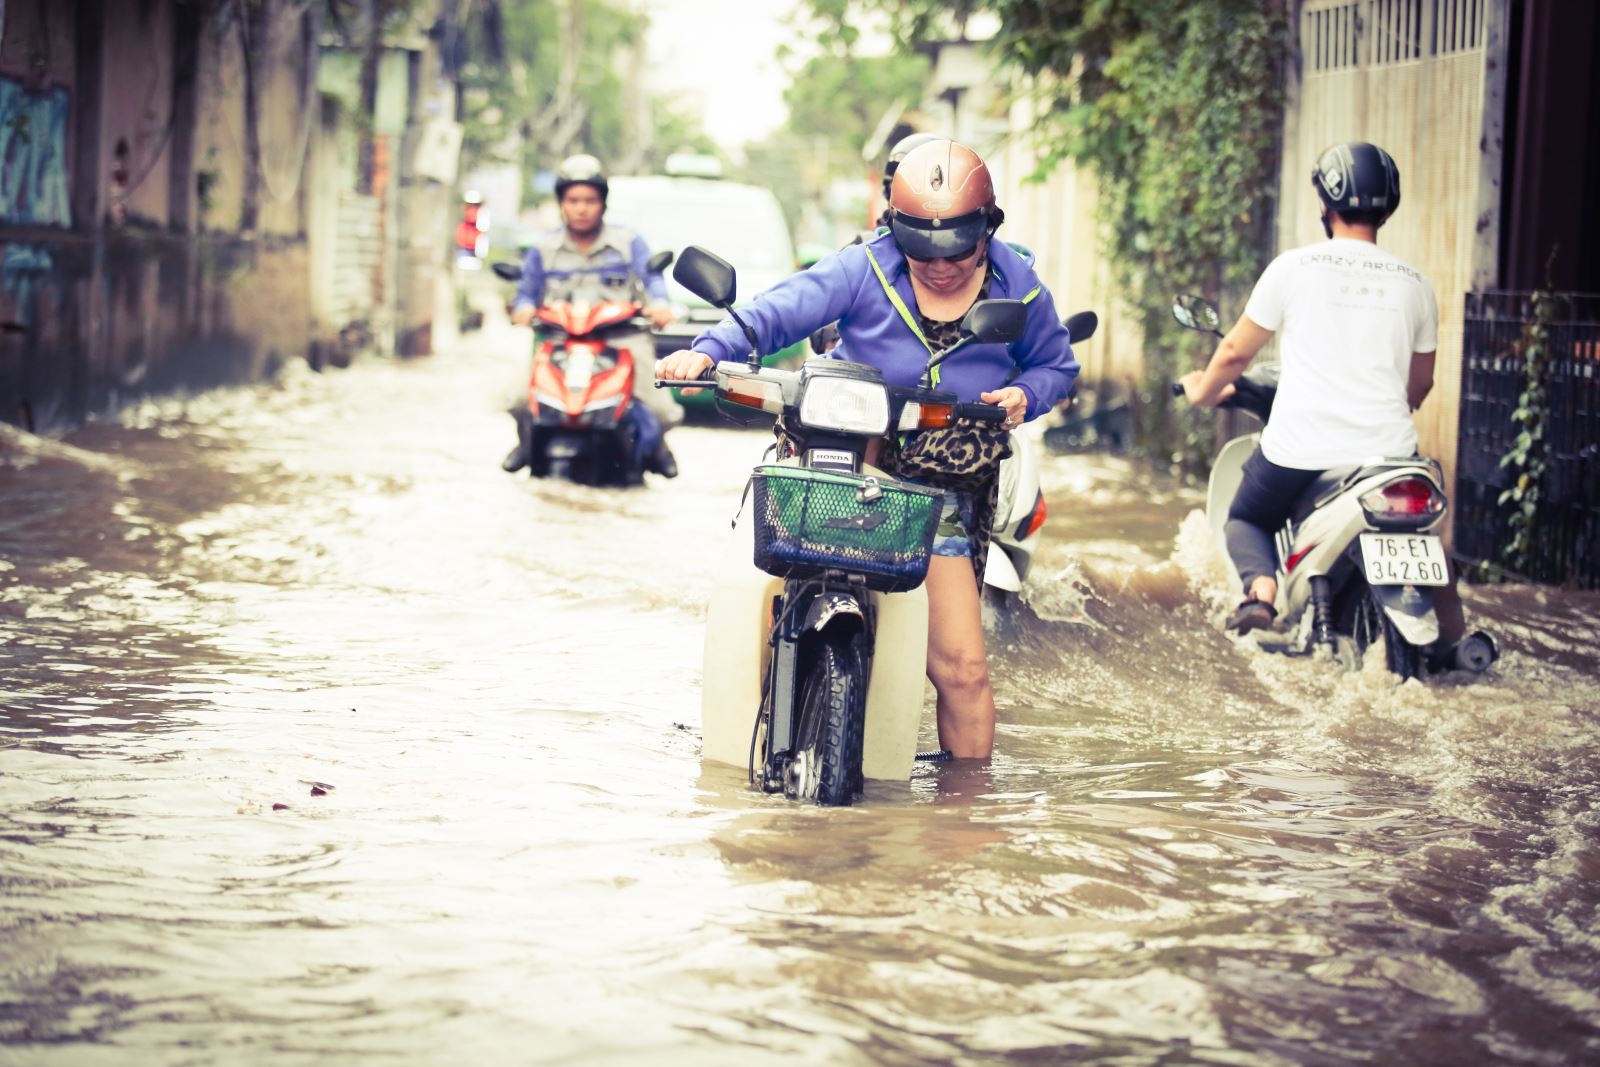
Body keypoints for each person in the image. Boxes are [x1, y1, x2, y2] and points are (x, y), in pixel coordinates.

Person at [658, 138, 1079, 759]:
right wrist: (711, 348)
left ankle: (968, 824)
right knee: (760, 592)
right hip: (844, 450)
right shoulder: (864, 267)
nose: (938, 267)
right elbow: (778, 311)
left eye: (955, 252)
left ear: (987, 229)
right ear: (894, 229)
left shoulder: (1022, 287)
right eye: (921, 251)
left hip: (944, 473)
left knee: (963, 669)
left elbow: (1056, 367)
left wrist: (1024, 394)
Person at [1179, 140, 1493, 670]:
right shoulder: (1417, 285)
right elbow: (1420, 387)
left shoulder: (1293, 268)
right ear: (1388, 206)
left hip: (1301, 449)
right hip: (1390, 459)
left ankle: (1261, 593)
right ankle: (1452, 643)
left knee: (1246, 517)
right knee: (1431, 536)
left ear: (1325, 203)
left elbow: (1232, 352)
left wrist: (1202, 391)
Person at [505, 153, 682, 477]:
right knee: (518, 399)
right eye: (573, 200)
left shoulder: (627, 243)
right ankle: (527, 444)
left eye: (590, 200)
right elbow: (525, 294)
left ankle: (658, 446)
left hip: (622, 339)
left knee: (660, 407)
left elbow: (653, 279)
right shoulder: (543, 248)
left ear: (603, 203)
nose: (581, 208)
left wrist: (659, 305)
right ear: (561, 203)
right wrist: (523, 310)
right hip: (561, 341)